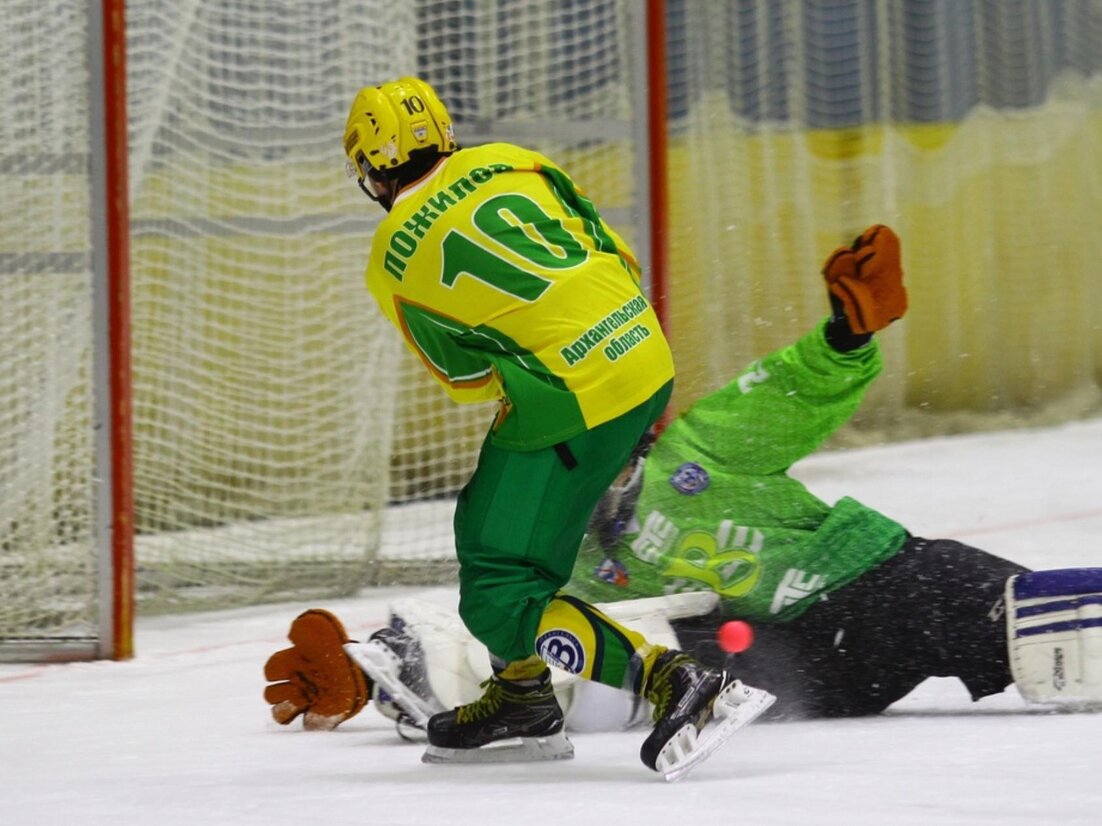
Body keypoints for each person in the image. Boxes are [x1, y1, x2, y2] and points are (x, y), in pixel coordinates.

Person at [266, 219, 1102, 735]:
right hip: (787, 660)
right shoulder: (574, 565)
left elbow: (791, 389)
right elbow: (502, 626)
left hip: (872, 584)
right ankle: (398, 677)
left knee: (1035, 628)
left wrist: (846, 335)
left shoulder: (700, 449)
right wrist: (371, 662)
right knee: (607, 661)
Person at [298, 76, 772, 777]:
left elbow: (464, 379)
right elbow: (616, 255)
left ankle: (676, 681)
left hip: (569, 397)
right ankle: (521, 693)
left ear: (370, 166)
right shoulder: (515, 160)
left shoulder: (390, 257)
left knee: (498, 587)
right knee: (487, 529)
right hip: (644, 347)